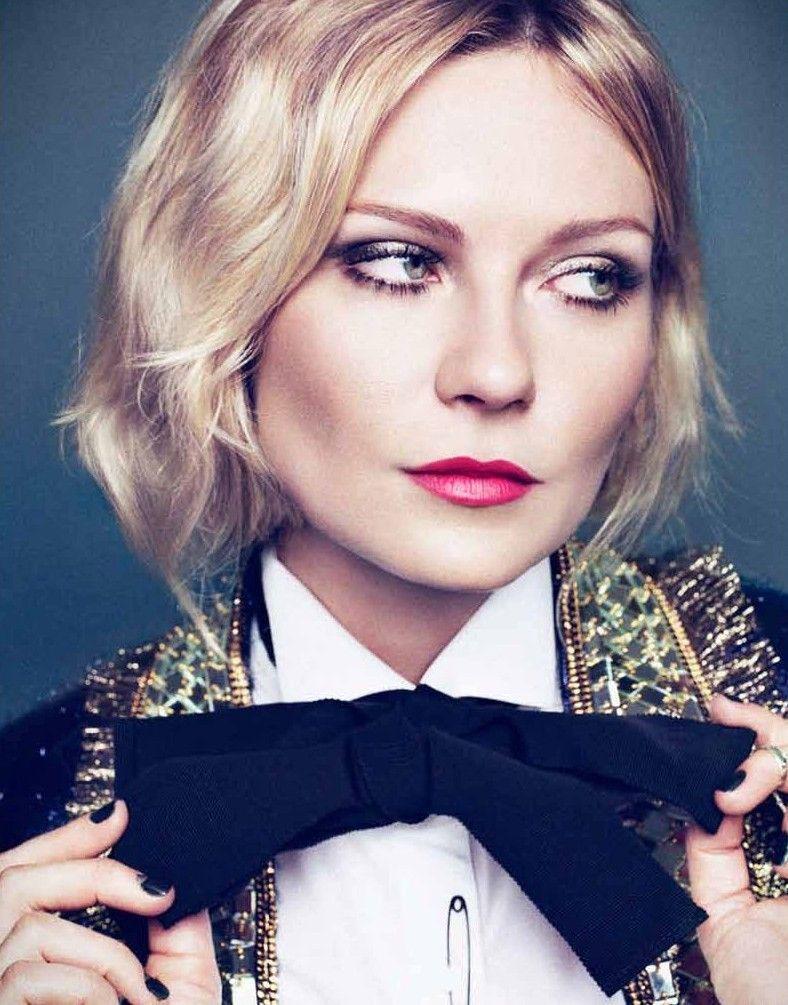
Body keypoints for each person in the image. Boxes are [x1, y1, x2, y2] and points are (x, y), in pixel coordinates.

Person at [0, 1, 786, 1003]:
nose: (496, 372)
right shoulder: (27, 805)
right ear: (222, 287)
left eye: (589, 277)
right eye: (397, 262)